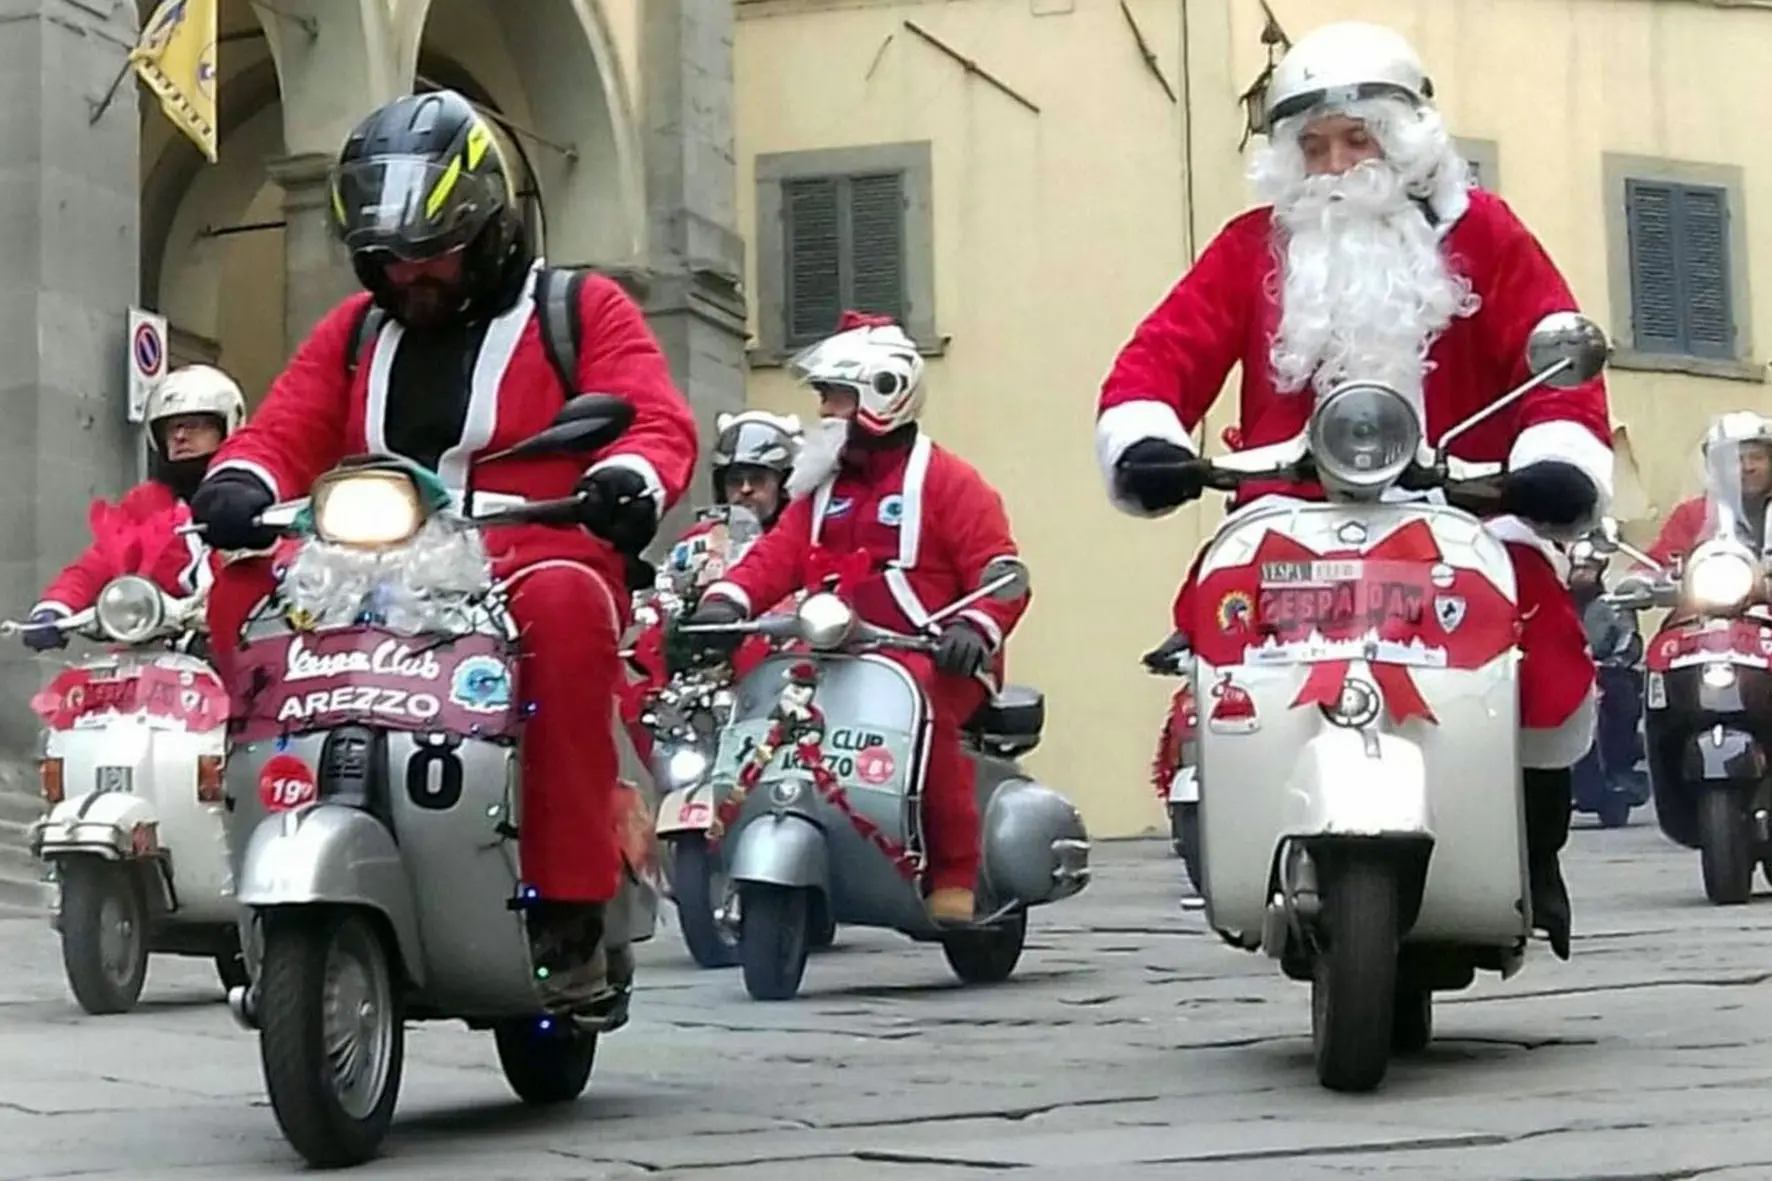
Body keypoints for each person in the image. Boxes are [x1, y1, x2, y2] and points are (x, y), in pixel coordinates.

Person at [1094, 20, 1614, 959]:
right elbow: (1162, 354)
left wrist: (1555, 456)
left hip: (1461, 512)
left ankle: (1534, 849)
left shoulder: (1484, 236)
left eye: (1357, 138)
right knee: (1215, 658)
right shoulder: (1253, 247)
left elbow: (1555, 350)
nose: (1336, 163)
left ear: (1404, 137)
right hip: (1288, 513)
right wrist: (1148, 437)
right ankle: (1233, 826)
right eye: (1314, 145)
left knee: (1539, 655)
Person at [186, 90, 699, 1015]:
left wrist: (628, 477)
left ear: (492, 227)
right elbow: (281, 428)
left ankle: (569, 904)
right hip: (369, 559)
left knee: (567, 609)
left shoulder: (582, 306)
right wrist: (240, 482)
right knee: (240, 597)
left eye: (436, 253)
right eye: (388, 259)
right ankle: (265, 841)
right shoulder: (350, 334)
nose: (412, 275)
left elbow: (654, 416)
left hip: (530, 547)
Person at [684, 311, 1027, 924]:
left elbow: (999, 568)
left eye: (834, 397)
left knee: (927, 714)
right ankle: (759, 841)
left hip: (926, 652)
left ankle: (953, 872)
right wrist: (724, 603)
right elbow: (774, 558)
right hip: (830, 650)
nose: (825, 412)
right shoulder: (818, 487)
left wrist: (971, 631)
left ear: (882, 394)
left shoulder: (949, 481)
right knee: (760, 697)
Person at [622, 410, 804, 765]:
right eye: (736, 480)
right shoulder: (699, 541)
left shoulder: (805, 541)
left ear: (784, 484)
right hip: (703, 699)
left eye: (758, 478)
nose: (746, 489)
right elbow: (662, 597)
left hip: (782, 692)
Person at [22, 365, 246, 651]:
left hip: (239, 645)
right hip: (155, 649)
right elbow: (97, 562)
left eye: (195, 424)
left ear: (227, 427)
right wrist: (54, 608)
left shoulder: (252, 492)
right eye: (171, 427)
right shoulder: (145, 503)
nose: (179, 436)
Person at [1647, 412, 1772, 565]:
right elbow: (1656, 564)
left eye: (1757, 457)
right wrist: (1641, 579)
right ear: (1718, 467)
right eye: (1736, 460)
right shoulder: (1693, 514)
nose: (1748, 467)